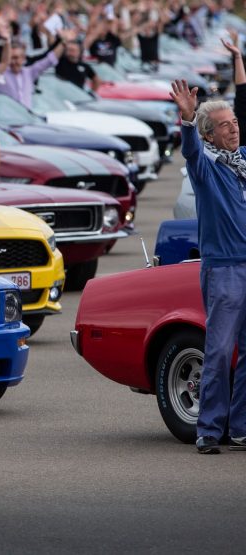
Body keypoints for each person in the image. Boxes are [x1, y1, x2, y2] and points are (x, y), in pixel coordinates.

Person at [172, 77, 246, 454]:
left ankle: (241, 427)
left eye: (234, 123)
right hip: (225, 268)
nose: (232, 129)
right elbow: (191, 152)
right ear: (210, 136)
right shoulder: (206, 168)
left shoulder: (243, 159)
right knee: (218, 350)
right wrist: (187, 121)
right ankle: (209, 430)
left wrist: (238, 66)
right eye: (224, 126)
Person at [0, 30, 70, 109]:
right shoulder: (1, 73)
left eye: (16, 58)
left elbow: (50, 59)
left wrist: (64, 41)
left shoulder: (29, 72)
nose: (13, 62)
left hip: (27, 118)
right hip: (8, 119)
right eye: (10, 58)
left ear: (23, 58)